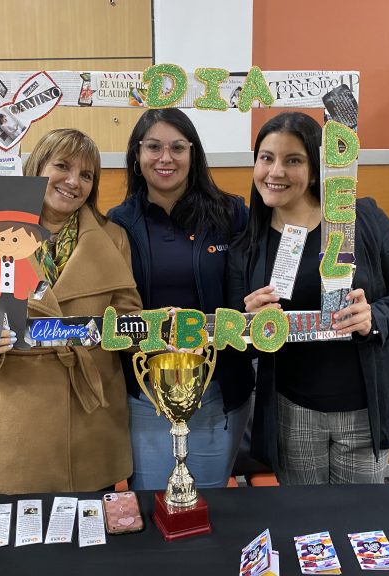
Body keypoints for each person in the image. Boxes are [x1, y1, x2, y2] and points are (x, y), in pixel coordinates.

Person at [228, 112, 389, 485]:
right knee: (306, 525)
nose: (276, 172)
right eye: (266, 157)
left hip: (363, 410)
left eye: (293, 160)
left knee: (357, 525)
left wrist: (376, 317)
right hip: (293, 411)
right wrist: (248, 324)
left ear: (318, 168)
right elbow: (240, 341)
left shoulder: (361, 218)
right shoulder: (248, 244)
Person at [0, 128, 142, 494]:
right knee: (16, 543)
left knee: (90, 540)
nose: (73, 181)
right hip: (11, 421)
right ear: (37, 167)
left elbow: (127, 317)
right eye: (61, 166)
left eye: (86, 175)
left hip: (90, 421)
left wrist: (151, 331)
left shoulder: (114, 238)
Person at [108, 108, 255, 490]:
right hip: (144, 393)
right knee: (152, 501)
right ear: (137, 157)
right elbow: (110, 305)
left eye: (177, 147)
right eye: (153, 147)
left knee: (209, 506)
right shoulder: (116, 223)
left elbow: (254, 283)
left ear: (193, 153)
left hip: (217, 389)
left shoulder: (231, 214)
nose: (165, 158)